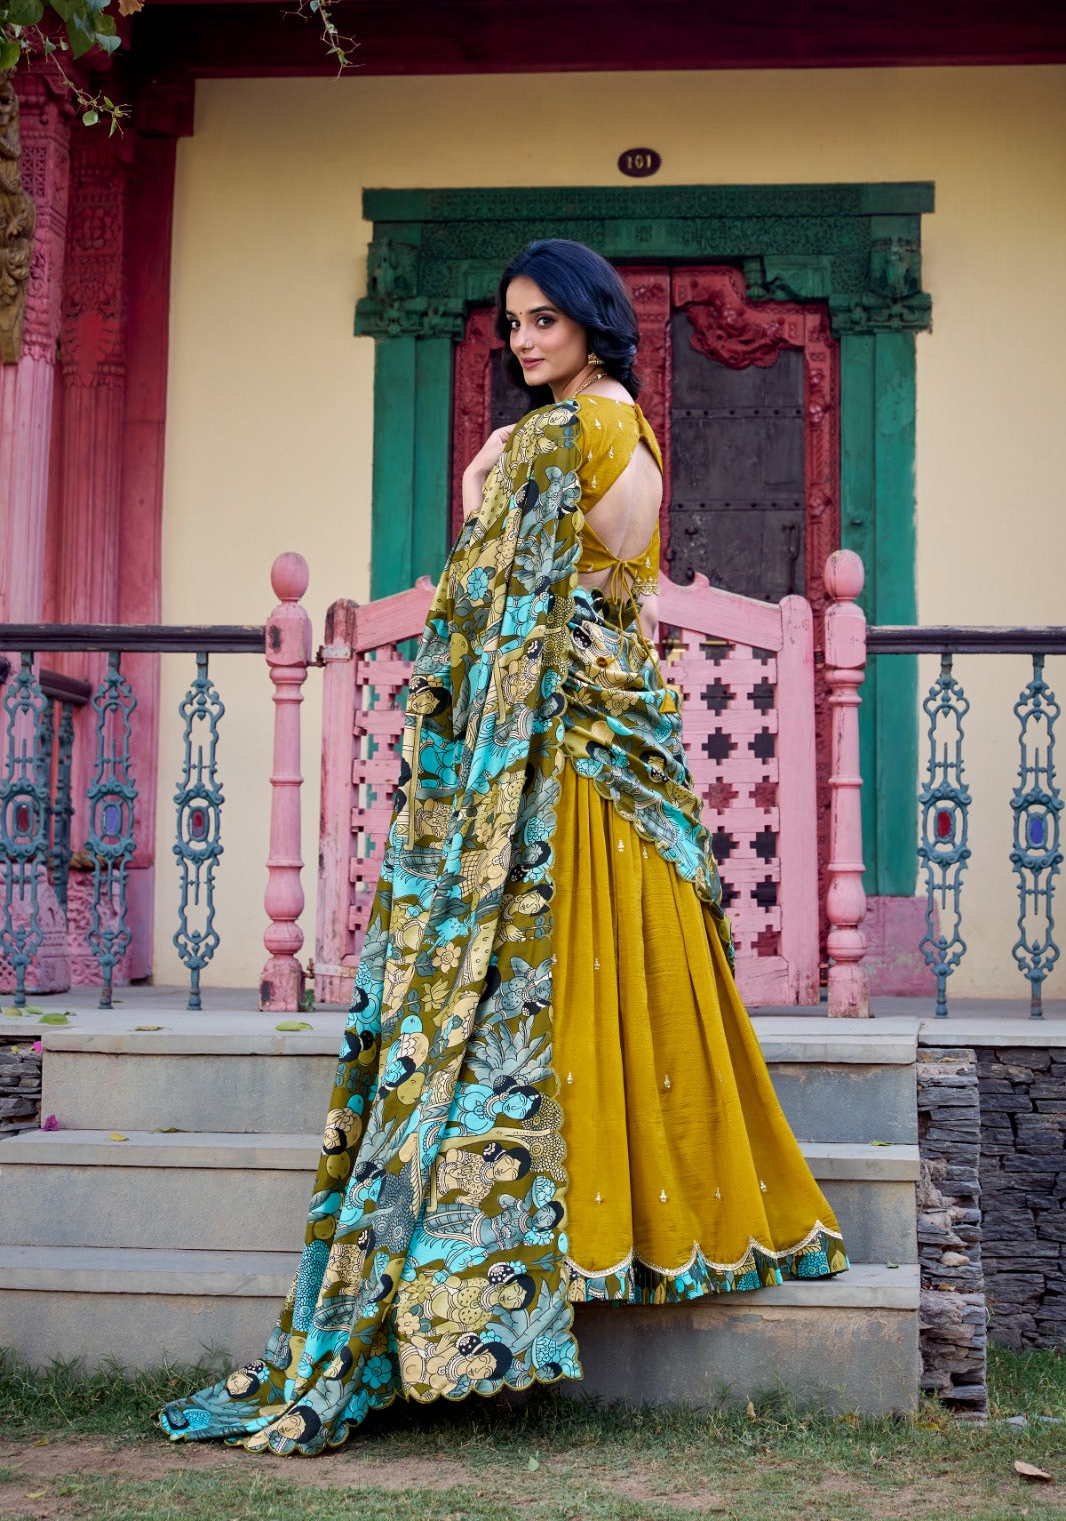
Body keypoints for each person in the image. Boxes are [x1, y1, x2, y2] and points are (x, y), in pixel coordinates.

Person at [157, 239, 848, 1457]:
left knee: (531, 987)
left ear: (591, 322)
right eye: (511, 325)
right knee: (624, 982)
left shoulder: (549, 439)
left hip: (560, 761)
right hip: (627, 744)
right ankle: (664, 1229)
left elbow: (482, 594)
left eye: (544, 321)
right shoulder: (632, 432)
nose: (523, 342)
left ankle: (511, 1273)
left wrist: (484, 478)